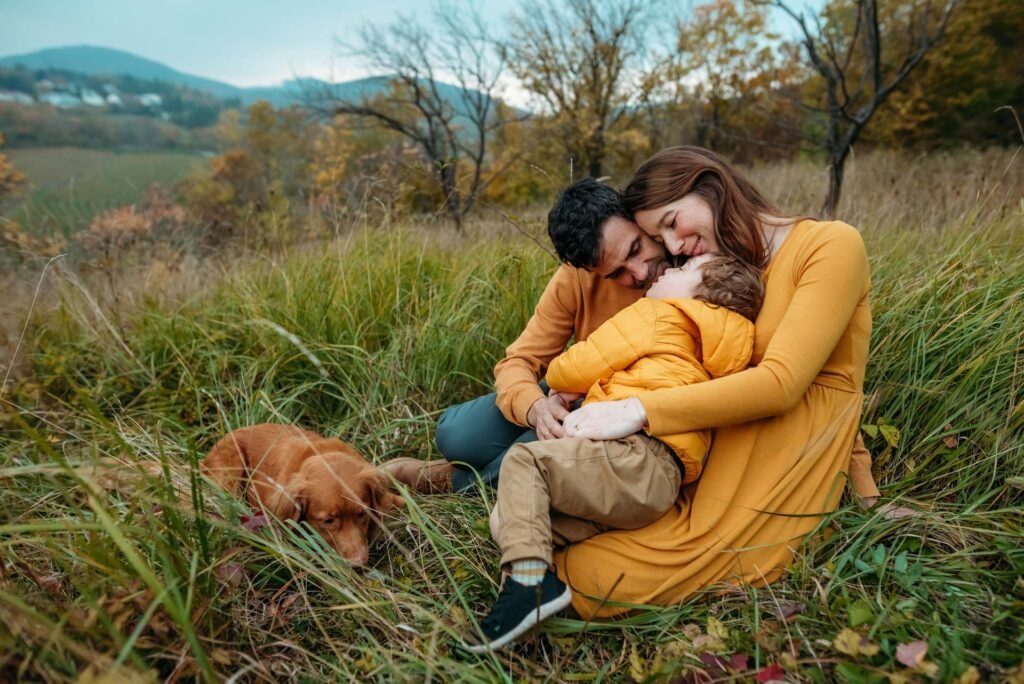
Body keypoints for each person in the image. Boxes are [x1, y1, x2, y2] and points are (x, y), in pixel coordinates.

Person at [534, 145, 881, 619]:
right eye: (662, 235)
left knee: (594, 576)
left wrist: (637, 412)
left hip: (788, 453)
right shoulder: (722, 270)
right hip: (723, 448)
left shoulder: (830, 245)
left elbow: (789, 383)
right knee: (561, 542)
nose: (674, 247)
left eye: (672, 222)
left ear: (709, 184)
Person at [383, 178, 880, 503]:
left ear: (643, 222)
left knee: (515, 467)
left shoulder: (705, 272)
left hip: (625, 425)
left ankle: (445, 481)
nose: (640, 272)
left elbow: (816, 374)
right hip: (570, 401)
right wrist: (535, 407)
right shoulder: (575, 281)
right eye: (616, 272)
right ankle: (481, 455)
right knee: (457, 434)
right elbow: (519, 360)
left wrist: (863, 487)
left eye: (638, 249)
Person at [461, 252, 764, 653]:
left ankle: (528, 585)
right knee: (515, 520)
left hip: (634, 456)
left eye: (685, 269)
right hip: (654, 486)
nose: (671, 269)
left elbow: (578, 364)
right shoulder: (731, 347)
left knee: (524, 460)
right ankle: (522, 625)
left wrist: (560, 381)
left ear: (703, 294)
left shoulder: (661, 314)